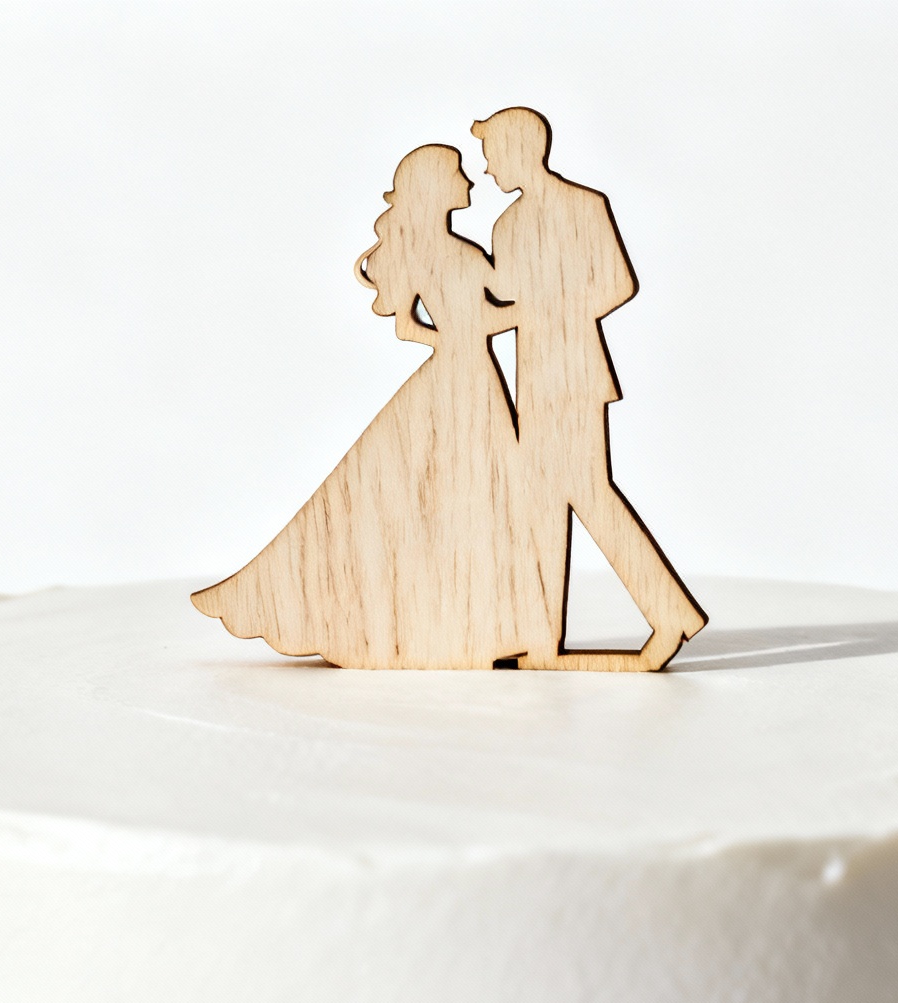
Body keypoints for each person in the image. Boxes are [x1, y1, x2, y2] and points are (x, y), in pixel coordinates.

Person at [191, 145, 552, 668]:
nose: (470, 183)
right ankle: (455, 624)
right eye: (458, 175)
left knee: (452, 500)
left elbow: (413, 324)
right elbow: (492, 313)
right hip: (467, 382)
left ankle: (450, 623)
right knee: (464, 498)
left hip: (457, 375)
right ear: (434, 187)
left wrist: (451, 337)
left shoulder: (437, 252)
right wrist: (535, 309)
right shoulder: (457, 254)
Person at [473, 107, 707, 671]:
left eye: (491, 155)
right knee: (544, 503)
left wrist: (553, 309)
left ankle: (669, 612)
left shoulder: (585, 206)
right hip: (534, 375)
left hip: (574, 371)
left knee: (588, 494)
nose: (487, 169)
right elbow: (505, 302)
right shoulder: (506, 226)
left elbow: (617, 283)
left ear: (518, 150)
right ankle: (543, 636)